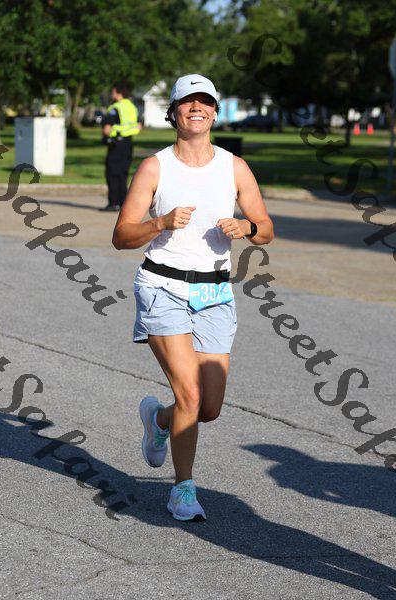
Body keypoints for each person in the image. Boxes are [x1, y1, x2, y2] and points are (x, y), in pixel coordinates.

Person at [112, 74, 274, 521]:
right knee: (188, 392)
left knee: (209, 407)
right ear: (174, 112)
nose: (196, 108)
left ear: (215, 112)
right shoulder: (155, 167)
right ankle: (182, 490)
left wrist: (247, 227)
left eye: (205, 102)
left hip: (214, 290)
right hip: (163, 285)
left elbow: (266, 228)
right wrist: (160, 223)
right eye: (188, 102)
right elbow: (122, 236)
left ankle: (159, 421)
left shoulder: (234, 167)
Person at [100, 83, 141, 212]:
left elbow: (107, 128)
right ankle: (123, 203)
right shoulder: (132, 107)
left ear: (118, 93)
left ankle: (113, 203)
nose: (111, 94)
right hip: (128, 143)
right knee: (123, 174)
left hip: (116, 143)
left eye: (113, 92)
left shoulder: (115, 108)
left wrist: (107, 135)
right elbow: (139, 125)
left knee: (112, 173)